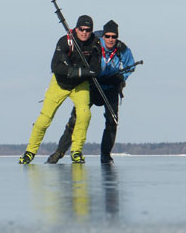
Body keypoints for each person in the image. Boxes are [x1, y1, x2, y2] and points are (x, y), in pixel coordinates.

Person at [45, 20, 135, 164]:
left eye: (114, 37)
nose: (110, 39)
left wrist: (121, 77)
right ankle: (59, 152)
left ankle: (106, 155)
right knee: (76, 118)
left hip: (111, 87)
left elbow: (130, 66)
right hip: (92, 84)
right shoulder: (95, 43)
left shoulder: (122, 49)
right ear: (103, 36)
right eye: (107, 36)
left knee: (112, 121)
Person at [18, 15, 102, 164]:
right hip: (59, 84)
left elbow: (96, 70)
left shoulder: (95, 43)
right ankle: (30, 152)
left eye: (88, 30)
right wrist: (77, 71)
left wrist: (80, 72)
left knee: (84, 114)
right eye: (81, 29)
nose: (84, 32)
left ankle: (76, 151)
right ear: (76, 29)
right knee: (44, 120)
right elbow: (56, 67)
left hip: (79, 85)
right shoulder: (65, 41)